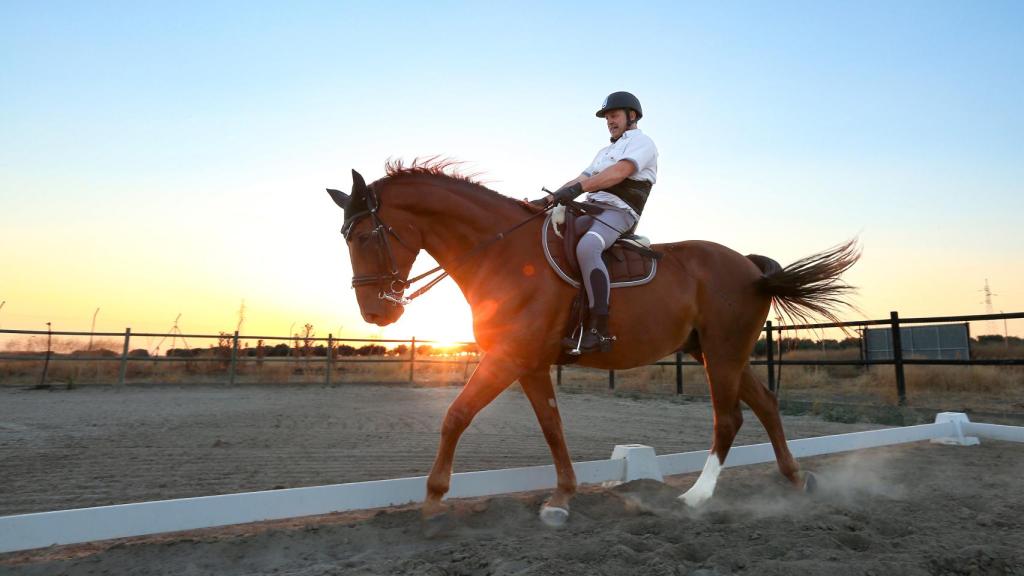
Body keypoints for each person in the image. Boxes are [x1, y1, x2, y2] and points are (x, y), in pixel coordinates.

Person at [545, 91, 659, 354]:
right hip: (591, 209)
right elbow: (579, 179)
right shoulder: (604, 151)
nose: (609, 121)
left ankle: (599, 329)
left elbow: (619, 173)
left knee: (588, 247)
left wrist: (577, 190)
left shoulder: (643, 143)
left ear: (632, 116)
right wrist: (548, 200)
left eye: (614, 115)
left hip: (619, 212)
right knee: (549, 233)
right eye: (607, 118)